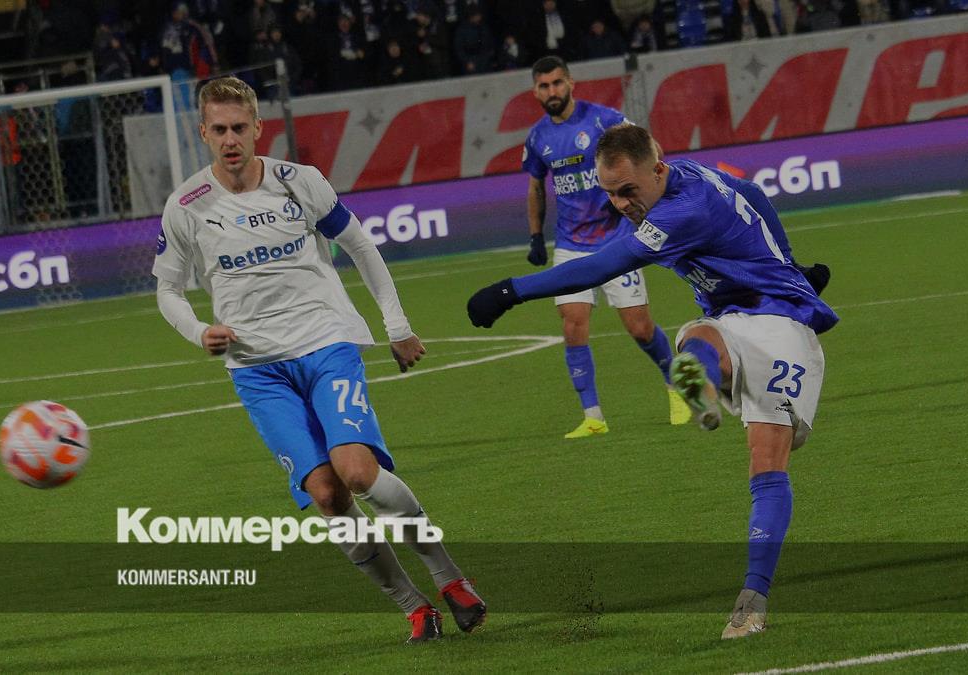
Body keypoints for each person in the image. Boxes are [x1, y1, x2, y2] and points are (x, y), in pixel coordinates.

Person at [468, 123, 839, 639]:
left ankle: (752, 597)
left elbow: (602, 266)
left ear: (657, 171)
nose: (620, 204)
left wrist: (510, 291)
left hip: (782, 328)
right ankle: (698, 383)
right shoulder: (687, 175)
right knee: (697, 340)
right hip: (734, 316)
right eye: (610, 194)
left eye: (627, 191)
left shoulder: (679, 213)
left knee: (766, 462)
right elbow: (752, 192)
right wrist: (790, 264)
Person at [153, 77, 486, 644]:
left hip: (326, 343)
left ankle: (450, 578)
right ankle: (414, 607)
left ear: (258, 128)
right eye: (220, 129)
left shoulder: (298, 181)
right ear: (203, 133)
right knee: (328, 495)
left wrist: (397, 326)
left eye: (240, 128)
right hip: (257, 370)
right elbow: (167, 290)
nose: (231, 140)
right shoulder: (186, 206)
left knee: (356, 472)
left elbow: (360, 245)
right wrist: (198, 331)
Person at [522, 56, 691, 439]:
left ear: (571, 83)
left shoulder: (603, 120)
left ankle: (675, 386)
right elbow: (535, 187)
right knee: (573, 324)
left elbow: (649, 148)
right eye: (544, 86)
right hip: (570, 243)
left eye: (557, 83)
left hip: (616, 240)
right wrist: (535, 235)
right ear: (536, 91)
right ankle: (593, 417)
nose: (552, 91)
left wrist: (645, 196)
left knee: (640, 328)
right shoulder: (537, 138)